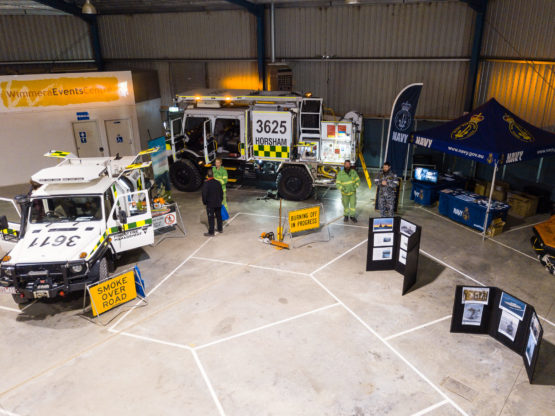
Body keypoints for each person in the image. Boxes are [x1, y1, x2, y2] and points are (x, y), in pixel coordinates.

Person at [202, 168, 223, 236]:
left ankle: (211, 232)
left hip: (210, 204)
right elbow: (221, 193)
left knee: (211, 218)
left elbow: (204, 194)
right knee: (219, 216)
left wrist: (205, 202)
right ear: (213, 175)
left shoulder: (206, 184)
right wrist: (220, 200)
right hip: (218, 203)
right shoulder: (218, 182)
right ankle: (220, 229)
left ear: (207, 175)